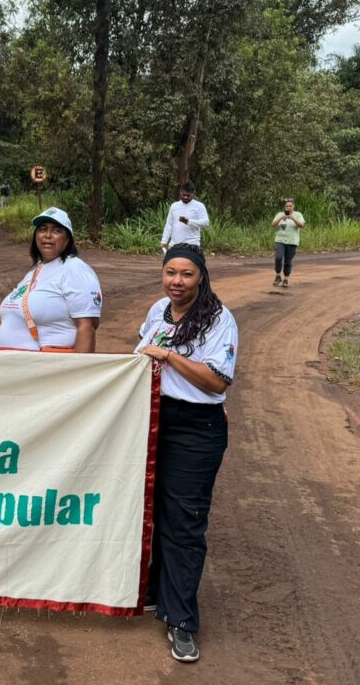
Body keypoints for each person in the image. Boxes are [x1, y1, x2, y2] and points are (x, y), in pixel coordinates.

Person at [135, 243, 238, 664]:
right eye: (170, 273)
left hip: (196, 428)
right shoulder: (158, 309)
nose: (177, 282)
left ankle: (181, 620)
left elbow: (217, 382)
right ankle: (156, 593)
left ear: (202, 277)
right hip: (153, 419)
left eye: (187, 275)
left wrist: (171, 357)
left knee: (184, 522)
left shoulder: (218, 318)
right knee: (152, 510)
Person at [0, 208, 102, 352]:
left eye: (57, 231)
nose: (48, 235)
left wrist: (81, 372)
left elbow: (87, 326)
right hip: (12, 368)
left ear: (68, 239)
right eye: (42, 229)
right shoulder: (36, 270)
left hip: (46, 369)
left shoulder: (75, 269)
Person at [160, 181, 210, 251]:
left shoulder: (199, 206)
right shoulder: (174, 206)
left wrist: (189, 221)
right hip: (174, 245)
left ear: (193, 193)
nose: (185, 197)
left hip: (192, 245)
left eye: (188, 195)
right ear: (180, 192)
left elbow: (206, 223)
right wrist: (164, 241)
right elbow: (169, 225)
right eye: (183, 195)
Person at [272, 197, 305, 287]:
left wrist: (293, 218)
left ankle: (286, 279)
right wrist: (281, 219)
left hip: (292, 241)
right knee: (278, 257)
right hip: (280, 240)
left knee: (288, 261)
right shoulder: (280, 214)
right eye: (287, 206)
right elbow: (273, 224)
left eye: (290, 206)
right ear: (284, 207)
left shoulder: (298, 215)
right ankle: (278, 275)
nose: (288, 207)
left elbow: (302, 225)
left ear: (293, 206)